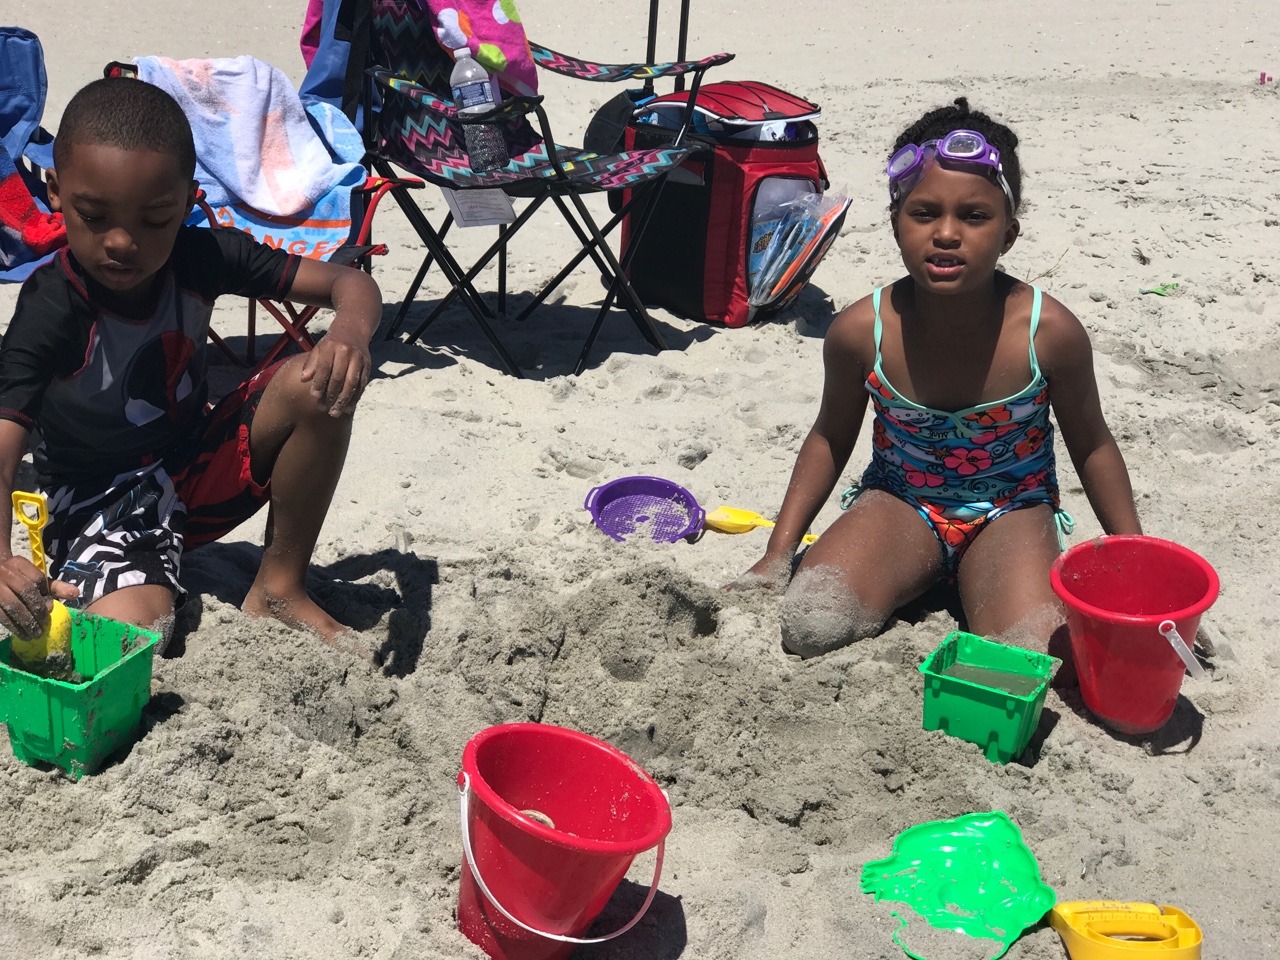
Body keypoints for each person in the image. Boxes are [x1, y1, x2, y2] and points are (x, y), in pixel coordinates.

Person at [736, 98, 1142, 661]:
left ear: (1009, 233)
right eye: (924, 213)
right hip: (901, 502)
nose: (947, 233)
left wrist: (1137, 560)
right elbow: (830, 436)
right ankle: (916, 572)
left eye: (974, 217)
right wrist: (778, 554)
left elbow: (1092, 442)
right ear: (895, 225)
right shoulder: (861, 331)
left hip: (1012, 509)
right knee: (812, 624)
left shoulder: (1048, 332)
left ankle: (975, 577)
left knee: (1025, 654)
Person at [0, 77, 382, 653]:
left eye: (155, 219)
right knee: (132, 637)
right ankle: (132, 578)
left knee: (315, 380)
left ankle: (279, 586)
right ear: (56, 192)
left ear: (187, 200)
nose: (123, 242)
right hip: (99, 500)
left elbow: (349, 282)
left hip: (194, 463)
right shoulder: (53, 307)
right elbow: (4, 446)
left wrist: (350, 333)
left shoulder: (200, 255)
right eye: (96, 216)